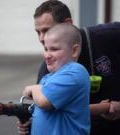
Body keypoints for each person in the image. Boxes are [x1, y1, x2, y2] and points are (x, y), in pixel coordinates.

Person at [17, 0, 120, 135]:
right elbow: (46, 108)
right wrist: (29, 123)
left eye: (47, 30)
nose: (41, 38)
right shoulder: (47, 70)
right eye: (38, 32)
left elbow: (44, 100)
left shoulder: (110, 35)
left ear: (67, 24)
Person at [22, 23, 90, 135]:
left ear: (74, 51)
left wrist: (33, 88)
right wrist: (30, 125)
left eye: (54, 49)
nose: (47, 55)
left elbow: (44, 101)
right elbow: (44, 112)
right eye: (45, 49)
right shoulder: (48, 78)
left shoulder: (75, 72)